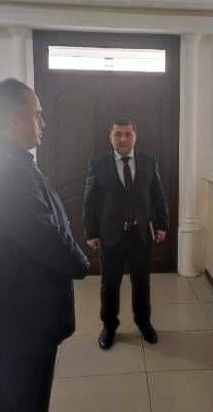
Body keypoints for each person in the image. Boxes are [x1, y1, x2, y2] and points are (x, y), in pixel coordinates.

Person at [0, 79, 90, 412]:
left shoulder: (4, 160)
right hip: (23, 311)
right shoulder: (4, 171)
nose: (42, 123)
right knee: (25, 396)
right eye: (37, 114)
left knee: (13, 388)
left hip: (17, 307)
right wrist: (80, 262)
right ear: (16, 120)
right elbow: (44, 236)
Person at [83, 118, 169, 350]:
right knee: (109, 284)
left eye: (128, 134)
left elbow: (158, 195)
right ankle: (109, 326)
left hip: (141, 234)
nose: (123, 139)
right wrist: (91, 232)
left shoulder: (148, 161)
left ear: (135, 136)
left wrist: (162, 224)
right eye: (118, 134)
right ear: (110, 137)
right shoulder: (98, 164)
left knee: (142, 282)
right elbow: (90, 201)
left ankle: (143, 322)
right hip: (111, 235)